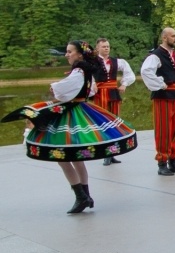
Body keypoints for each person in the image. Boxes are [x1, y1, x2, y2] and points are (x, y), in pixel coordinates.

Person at [2, 41, 138, 213]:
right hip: (81, 109)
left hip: (72, 112)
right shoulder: (86, 70)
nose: (66, 55)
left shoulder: (79, 71)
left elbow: (63, 89)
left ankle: (81, 196)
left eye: (69, 52)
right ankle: (85, 195)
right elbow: (92, 90)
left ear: (80, 54)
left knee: (62, 155)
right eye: (66, 52)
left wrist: (54, 86)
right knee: (74, 156)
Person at [141, 27, 175, 176]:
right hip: (163, 97)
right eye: (173, 36)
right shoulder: (155, 56)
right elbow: (146, 71)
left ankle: (173, 160)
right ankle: (162, 162)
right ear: (164, 38)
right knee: (164, 130)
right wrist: (161, 84)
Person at [91, 37, 136, 165]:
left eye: (108, 46)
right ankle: (106, 153)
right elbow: (87, 75)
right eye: (104, 46)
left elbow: (129, 73)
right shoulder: (93, 62)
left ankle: (113, 152)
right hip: (101, 94)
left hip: (113, 92)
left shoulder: (117, 61)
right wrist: (93, 84)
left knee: (115, 121)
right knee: (103, 122)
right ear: (97, 48)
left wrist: (124, 84)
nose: (106, 48)